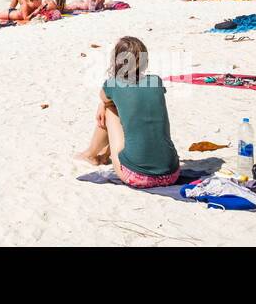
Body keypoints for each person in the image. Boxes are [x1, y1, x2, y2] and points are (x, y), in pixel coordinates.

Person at [76, 36, 180, 189]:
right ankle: (104, 154)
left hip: (137, 176)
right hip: (172, 173)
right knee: (118, 106)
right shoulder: (156, 81)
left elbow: (104, 98)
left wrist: (102, 105)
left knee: (110, 108)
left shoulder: (112, 84)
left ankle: (91, 154)